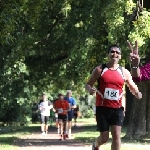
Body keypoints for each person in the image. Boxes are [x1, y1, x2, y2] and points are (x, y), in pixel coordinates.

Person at [85, 44, 142, 150]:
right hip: (102, 108)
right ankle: (95, 145)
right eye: (112, 52)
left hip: (117, 108)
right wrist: (90, 89)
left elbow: (132, 85)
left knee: (116, 136)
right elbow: (88, 84)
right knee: (104, 138)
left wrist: (137, 93)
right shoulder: (99, 70)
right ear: (108, 55)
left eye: (117, 52)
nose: (114, 54)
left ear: (120, 56)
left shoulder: (124, 72)